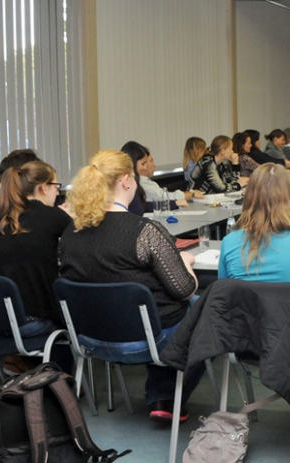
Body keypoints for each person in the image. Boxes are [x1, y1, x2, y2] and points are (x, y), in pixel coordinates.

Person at [60, 149, 203, 422]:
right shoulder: (144, 231)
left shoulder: (71, 232)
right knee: (203, 309)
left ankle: (163, 395)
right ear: (126, 180)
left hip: (90, 339)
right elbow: (184, 289)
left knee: (160, 310)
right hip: (146, 340)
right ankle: (168, 397)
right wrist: (185, 262)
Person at [218, 164, 290, 287]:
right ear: (288, 197)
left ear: (248, 196)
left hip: (244, 301)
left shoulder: (229, 243)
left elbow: (222, 291)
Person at [0, 161, 72, 326]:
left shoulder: (5, 219)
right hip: (36, 318)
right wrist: (70, 218)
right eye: (56, 186)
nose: (57, 192)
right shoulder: (54, 216)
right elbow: (83, 243)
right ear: (43, 188)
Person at [124, 141, 191, 208]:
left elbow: (145, 206)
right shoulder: (136, 183)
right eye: (143, 164)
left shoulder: (136, 183)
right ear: (132, 164)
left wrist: (174, 203)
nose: (145, 167)